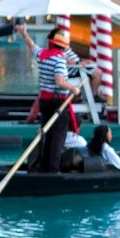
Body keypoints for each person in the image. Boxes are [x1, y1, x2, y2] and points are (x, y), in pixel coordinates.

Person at [16, 24, 80, 173]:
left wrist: (24, 33)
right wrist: (73, 89)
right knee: (57, 138)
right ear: (62, 47)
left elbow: (31, 45)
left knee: (47, 134)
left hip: (44, 102)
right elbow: (60, 81)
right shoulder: (59, 60)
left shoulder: (42, 55)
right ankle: (52, 170)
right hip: (57, 102)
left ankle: (44, 167)